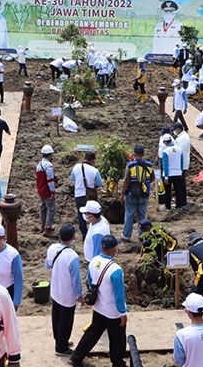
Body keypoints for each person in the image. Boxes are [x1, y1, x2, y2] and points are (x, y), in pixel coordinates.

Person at [69, 235, 127, 367]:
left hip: (98, 307)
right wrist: (122, 313)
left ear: (102, 247)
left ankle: (76, 358)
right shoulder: (116, 270)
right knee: (117, 339)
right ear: (114, 249)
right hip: (112, 311)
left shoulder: (94, 261)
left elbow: (90, 282)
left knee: (92, 333)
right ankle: (118, 363)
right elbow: (119, 295)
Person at [46, 224, 83, 356]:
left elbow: (48, 265)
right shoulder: (72, 256)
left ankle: (59, 340)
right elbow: (76, 279)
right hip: (67, 294)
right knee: (66, 320)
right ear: (73, 237)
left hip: (55, 289)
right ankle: (61, 347)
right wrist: (79, 294)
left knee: (56, 316)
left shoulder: (52, 248)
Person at [120, 145, 154, 242]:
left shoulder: (130, 165)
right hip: (144, 193)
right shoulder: (149, 165)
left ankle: (126, 236)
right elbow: (152, 178)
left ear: (134, 154)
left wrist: (122, 194)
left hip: (131, 193)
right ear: (143, 154)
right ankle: (143, 235)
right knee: (142, 215)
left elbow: (126, 181)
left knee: (129, 215)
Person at [71, 152, 103, 237]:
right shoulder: (94, 170)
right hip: (90, 196)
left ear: (84, 158)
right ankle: (93, 232)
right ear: (93, 160)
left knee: (81, 215)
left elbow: (72, 178)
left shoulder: (76, 167)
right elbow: (100, 183)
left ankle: (84, 234)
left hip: (78, 194)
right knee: (93, 215)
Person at [162, 134, 187, 209]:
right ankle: (179, 206)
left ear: (165, 142)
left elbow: (165, 165)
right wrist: (181, 171)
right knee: (178, 190)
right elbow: (182, 162)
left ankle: (167, 206)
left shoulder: (165, 151)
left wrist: (166, 176)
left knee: (167, 191)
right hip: (178, 173)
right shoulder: (179, 149)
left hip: (169, 174)